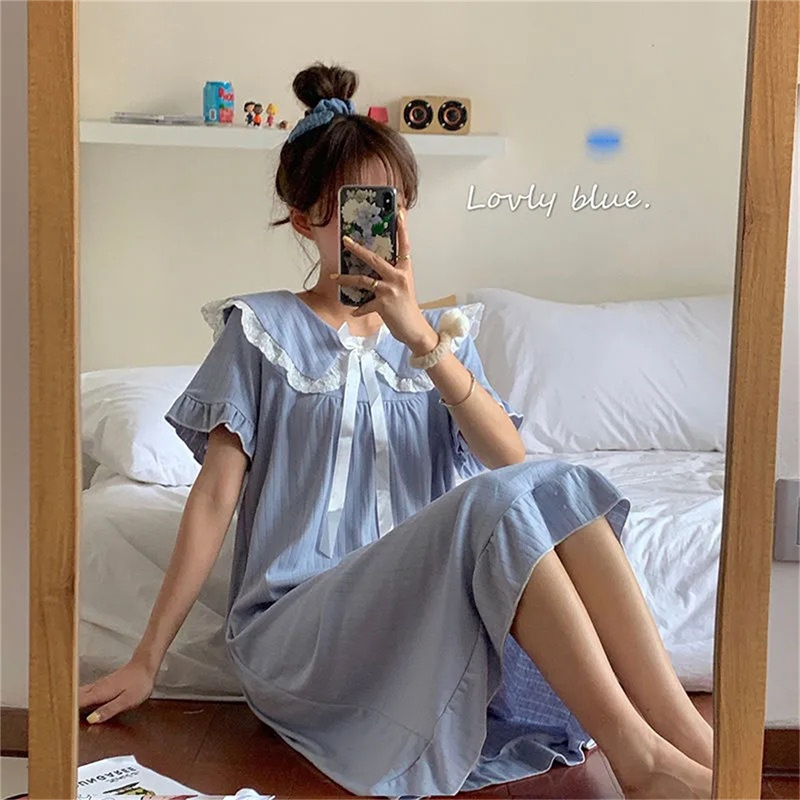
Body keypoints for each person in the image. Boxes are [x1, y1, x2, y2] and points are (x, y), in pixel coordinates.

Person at [78, 62, 714, 800]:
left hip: (421, 627)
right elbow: (215, 500)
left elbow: (511, 461)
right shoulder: (258, 330)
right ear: (306, 218)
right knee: (498, 504)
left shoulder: (440, 337)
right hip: (299, 635)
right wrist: (147, 659)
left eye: (394, 206)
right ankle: (641, 761)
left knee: (555, 485)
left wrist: (422, 342)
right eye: (357, 208)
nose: (381, 229)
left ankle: (692, 739)